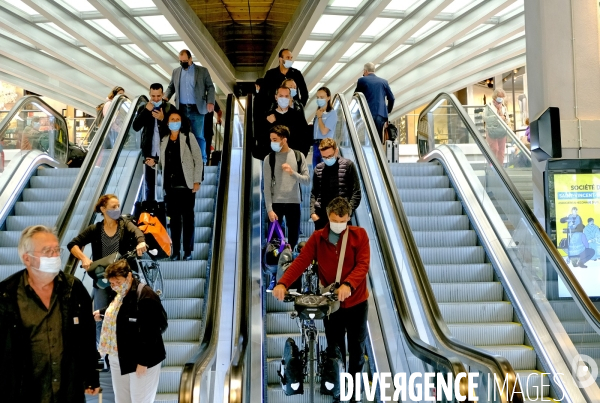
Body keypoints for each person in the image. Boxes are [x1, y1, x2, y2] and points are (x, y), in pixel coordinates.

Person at [273, 197, 370, 401]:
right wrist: (283, 283)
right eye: (336, 220)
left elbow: (363, 265)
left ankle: (352, 393)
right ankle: (339, 391)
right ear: (328, 216)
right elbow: (300, 262)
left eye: (343, 220)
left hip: (357, 303)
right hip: (331, 305)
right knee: (336, 350)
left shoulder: (359, 235)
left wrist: (348, 284)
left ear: (349, 218)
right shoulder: (318, 238)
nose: (340, 224)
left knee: (357, 350)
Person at [0, 225, 100, 402]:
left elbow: (87, 334)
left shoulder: (73, 288)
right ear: (27, 259)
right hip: (26, 393)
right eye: (47, 251)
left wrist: (91, 375)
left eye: (57, 250)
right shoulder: (7, 294)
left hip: (68, 391)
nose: (55, 256)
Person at [67, 194, 147, 342]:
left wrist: (141, 242)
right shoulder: (96, 229)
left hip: (122, 277)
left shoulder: (124, 224)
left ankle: (125, 347)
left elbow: (137, 233)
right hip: (102, 278)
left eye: (118, 206)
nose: (117, 209)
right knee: (100, 315)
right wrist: (84, 258)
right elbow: (72, 244)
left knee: (125, 311)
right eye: (113, 207)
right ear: (103, 209)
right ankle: (103, 352)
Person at [93, 259, 166, 403]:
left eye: (118, 282)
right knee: (122, 400)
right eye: (112, 283)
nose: (115, 286)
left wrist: (143, 362)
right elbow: (119, 311)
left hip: (140, 359)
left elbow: (156, 330)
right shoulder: (121, 294)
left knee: (140, 400)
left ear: (129, 276)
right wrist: (103, 313)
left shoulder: (146, 295)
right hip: (118, 355)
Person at [264, 125, 310, 289]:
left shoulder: (298, 156)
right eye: (271, 140)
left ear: (284, 139)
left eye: (275, 140)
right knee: (275, 245)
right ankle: (274, 277)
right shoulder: (269, 158)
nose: (272, 143)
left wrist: (292, 173)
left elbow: (306, 180)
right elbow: (267, 186)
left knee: (293, 241)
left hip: (294, 202)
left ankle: (292, 279)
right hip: (276, 204)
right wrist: (269, 208)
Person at [160, 110, 204, 261]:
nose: (175, 121)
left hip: (186, 185)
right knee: (174, 220)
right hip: (170, 186)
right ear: (167, 122)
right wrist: (153, 164)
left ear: (181, 121)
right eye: (172, 119)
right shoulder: (164, 139)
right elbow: (162, 164)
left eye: (177, 119)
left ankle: (188, 251)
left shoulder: (188, 137)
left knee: (188, 219)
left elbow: (198, 160)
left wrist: (197, 180)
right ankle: (176, 251)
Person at [164, 49, 216, 164]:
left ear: (190, 59)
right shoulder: (176, 72)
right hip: (181, 109)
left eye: (185, 60)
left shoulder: (202, 71)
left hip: (196, 109)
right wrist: (166, 97)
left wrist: (210, 101)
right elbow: (171, 87)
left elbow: (210, 87)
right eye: (180, 61)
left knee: (198, 135)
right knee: (181, 135)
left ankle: (201, 160)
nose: (183, 63)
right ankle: (184, 160)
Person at [133, 83, 173, 201]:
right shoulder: (143, 108)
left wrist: (162, 119)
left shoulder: (169, 108)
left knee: (168, 185)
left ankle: (167, 213)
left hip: (166, 152)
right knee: (149, 186)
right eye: (153, 96)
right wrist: (146, 110)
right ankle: (151, 213)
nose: (156, 99)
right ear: (149, 94)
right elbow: (136, 126)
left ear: (163, 94)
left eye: (158, 96)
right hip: (150, 151)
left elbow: (176, 130)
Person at [311, 139, 361, 231]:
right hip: (322, 218)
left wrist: (347, 212)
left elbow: (356, 192)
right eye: (324, 157)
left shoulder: (348, 165)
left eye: (330, 156)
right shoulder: (318, 169)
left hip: (342, 217)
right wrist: (313, 214)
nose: (327, 159)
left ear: (336, 151)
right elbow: (314, 192)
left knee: (343, 244)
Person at [263, 86, 310, 158]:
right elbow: (262, 138)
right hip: (273, 158)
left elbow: (305, 136)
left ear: (290, 98)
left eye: (286, 96)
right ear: (276, 97)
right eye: (281, 96)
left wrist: (301, 156)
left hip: (293, 157)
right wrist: (267, 123)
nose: (283, 99)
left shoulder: (297, 115)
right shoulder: (268, 116)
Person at [354, 62, 395, 141]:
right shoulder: (384, 82)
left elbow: (355, 97)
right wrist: (387, 110)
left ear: (365, 71)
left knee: (368, 139)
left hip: (367, 114)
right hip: (381, 115)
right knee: (378, 140)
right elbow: (392, 98)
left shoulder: (362, 80)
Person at [312, 87, 338, 167]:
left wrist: (319, 117)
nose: (319, 99)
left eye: (322, 97)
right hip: (316, 145)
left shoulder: (332, 113)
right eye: (318, 97)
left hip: (326, 145)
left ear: (328, 98)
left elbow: (324, 131)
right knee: (316, 169)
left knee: (325, 169)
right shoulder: (318, 112)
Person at [485, 88, 509, 164]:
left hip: (501, 131)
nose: (501, 99)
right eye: (499, 97)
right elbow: (486, 119)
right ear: (495, 97)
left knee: (501, 151)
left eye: (502, 97)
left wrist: (500, 110)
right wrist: (499, 118)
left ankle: (500, 168)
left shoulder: (504, 107)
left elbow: (507, 119)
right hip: (491, 131)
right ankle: (492, 167)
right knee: (494, 149)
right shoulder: (489, 106)